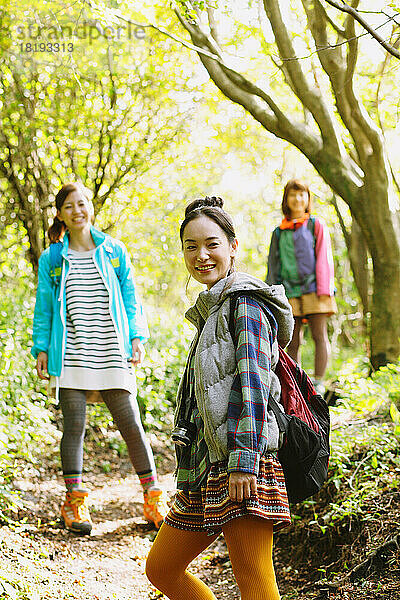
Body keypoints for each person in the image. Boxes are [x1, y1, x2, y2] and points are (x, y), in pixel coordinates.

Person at [146, 196, 294, 600]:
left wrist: (244, 463)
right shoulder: (213, 309)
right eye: (190, 246)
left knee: (256, 583)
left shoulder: (244, 305)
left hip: (244, 464)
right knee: (162, 568)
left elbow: (255, 385)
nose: (201, 255)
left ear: (233, 246)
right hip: (208, 469)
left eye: (211, 243)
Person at [31, 182, 167, 535]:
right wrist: (41, 348)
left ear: (90, 208)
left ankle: (153, 497)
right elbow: (44, 307)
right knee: (73, 427)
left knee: (131, 424)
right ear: (60, 214)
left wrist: (137, 337)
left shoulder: (114, 252)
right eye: (69, 206)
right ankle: (74, 502)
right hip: (72, 351)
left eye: (83, 204)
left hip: (111, 348)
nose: (77, 210)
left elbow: (131, 298)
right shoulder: (53, 258)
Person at [266, 179, 336, 396]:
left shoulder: (315, 224)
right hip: (289, 293)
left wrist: (325, 289)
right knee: (292, 340)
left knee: (319, 335)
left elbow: (324, 258)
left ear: (307, 199)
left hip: (316, 289)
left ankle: (319, 382)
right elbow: (273, 265)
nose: (297, 199)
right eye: (293, 195)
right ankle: (295, 383)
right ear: (286, 200)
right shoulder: (279, 232)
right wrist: (271, 295)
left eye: (302, 194)